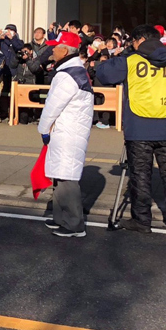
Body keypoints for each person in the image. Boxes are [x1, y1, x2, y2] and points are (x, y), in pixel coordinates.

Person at [96, 25, 166, 234]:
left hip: (140, 126)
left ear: (139, 40)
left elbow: (103, 74)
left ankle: (142, 220)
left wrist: (126, 52)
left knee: (140, 176)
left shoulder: (131, 59)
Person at [38, 31, 94, 238]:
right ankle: (61, 218)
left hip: (67, 130)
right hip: (71, 129)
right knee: (60, 175)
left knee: (66, 177)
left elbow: (52, 106)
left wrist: (43, 129)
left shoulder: (66, 75)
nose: (52, 49)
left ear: (65, 50)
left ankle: (74, 224)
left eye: (55, 46)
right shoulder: (76, 70)